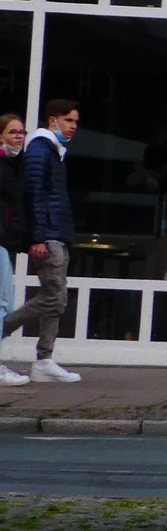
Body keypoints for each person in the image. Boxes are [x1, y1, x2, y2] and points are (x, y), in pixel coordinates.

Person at [8, 100, 78, 383]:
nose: (73, 126)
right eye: (68, 120)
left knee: (56, 299)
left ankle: (44, 359)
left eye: (75, 121)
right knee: (55, 298)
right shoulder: (40, 150)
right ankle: (3, 327)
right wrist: (37, 237)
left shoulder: (52, 152)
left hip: (56, 233)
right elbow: (33, 194)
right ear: (52, 120)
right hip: (48, 236)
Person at [0, 116, 26, 387]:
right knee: (2, 303)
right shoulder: (3, 165)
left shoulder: (11, 164)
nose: (18, 137)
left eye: (21, 132)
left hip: (4, 240)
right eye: (12, 132)